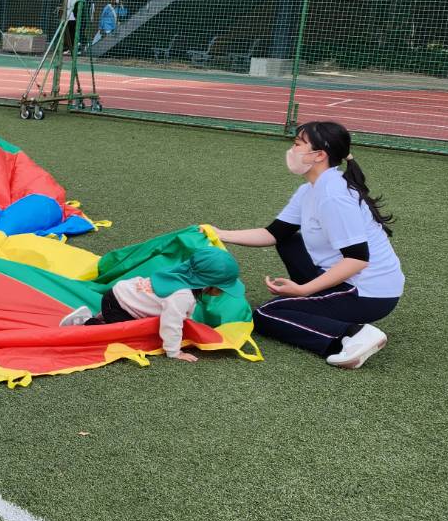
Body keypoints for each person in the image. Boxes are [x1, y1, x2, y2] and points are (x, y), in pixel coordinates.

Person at [215, 121, 402, 369]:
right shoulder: (310, 190)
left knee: (265, 314)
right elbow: (273, 233)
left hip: (369, 293)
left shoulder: (333, 196)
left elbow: (357, 259)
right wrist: (219, 233)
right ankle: (322, 303)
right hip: (350, 282)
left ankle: (354, 335)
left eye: (297, 144)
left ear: (319, 155)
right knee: (289, 239)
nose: (291, 150)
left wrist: (303, 290)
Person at [59, 248, 240, 362]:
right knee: (121, 337)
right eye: (221, 288)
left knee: (123, 318)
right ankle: (87, 322)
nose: (221, 292)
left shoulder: (180, 275)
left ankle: (103, 315)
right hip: (119, 304)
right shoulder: (183, 295)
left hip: (119, 295)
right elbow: (171, 323)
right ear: (207, 284)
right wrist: (174, 352)